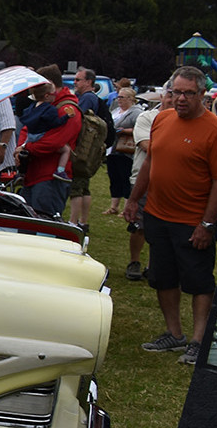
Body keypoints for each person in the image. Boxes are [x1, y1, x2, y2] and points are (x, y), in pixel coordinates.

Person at [124, 66, 217, 363]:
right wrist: (134, 200)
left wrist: (207, 224)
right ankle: (175, 334)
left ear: (202, 94)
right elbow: (150, 162)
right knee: (162, 277)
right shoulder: (162, 119)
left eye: (188, 93)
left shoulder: (216, 130)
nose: (180, 99)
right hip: (158, 215)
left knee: (198, 281)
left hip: (193, 220)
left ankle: (198, 341)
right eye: (175, 92)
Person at [14, 65, 80, 219]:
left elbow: (54, 142)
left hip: (49, 178)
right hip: (35, 174)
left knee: (44, 222)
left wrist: (25, 148)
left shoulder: (68, 108)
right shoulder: (46, 103)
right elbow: (27, 128)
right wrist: (20, 148)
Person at [125, 88, 170, 280]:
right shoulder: (147, 117)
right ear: (162, 96)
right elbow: (146, 145)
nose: (174, 98)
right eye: (171, 93)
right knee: (139, 225)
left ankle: (154, 266)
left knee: (162, 227)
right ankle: (134, 262)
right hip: (143, 179)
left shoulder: (186, 120)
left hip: (170, 182)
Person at [67, 67, 111, 228]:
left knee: (76, 187)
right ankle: (83, 221)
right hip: (91, 150)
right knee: (84, 187)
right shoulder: (94, 98)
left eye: (78, 80)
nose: (75, 82)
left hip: (83, 149)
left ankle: (73, 222)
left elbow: (77, 120)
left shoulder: (86, 99)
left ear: (89, 82)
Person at [102, 87, 141, 216]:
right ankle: (114, 207)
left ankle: (126, 208)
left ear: (130, 99)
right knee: (114, 178)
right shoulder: (116, 110)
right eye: (118, 97)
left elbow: (139, 129)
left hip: (126, 149)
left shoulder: (136, 112)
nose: (118, 100)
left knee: (125, 178)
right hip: (112, 149)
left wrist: (124, 131)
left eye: (121, 97)